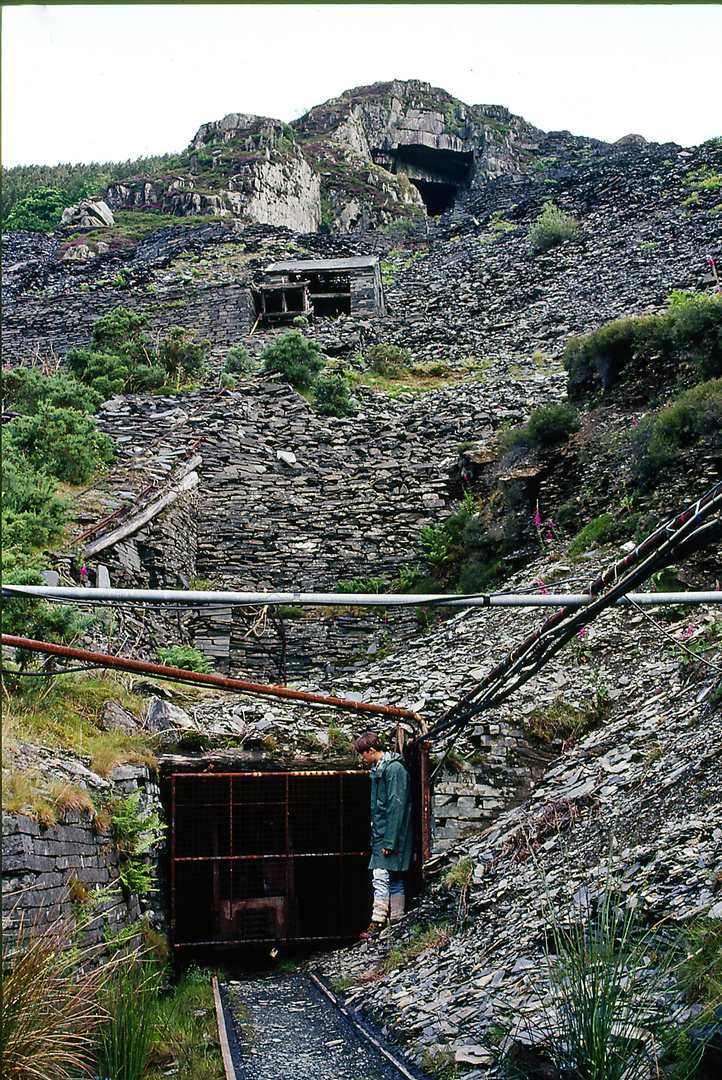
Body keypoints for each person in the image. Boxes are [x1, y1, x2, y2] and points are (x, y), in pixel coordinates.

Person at [354, 730, 412, 931]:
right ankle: (396, 920)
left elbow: (397, 806)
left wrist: (389, 841)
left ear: (371, 751)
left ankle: (379, 920)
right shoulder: (381, 769)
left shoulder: (394, 770)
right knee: (393, 876)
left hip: (390, 835)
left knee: (382, 876)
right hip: (383, 834)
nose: (362, 758)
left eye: (363, 754)